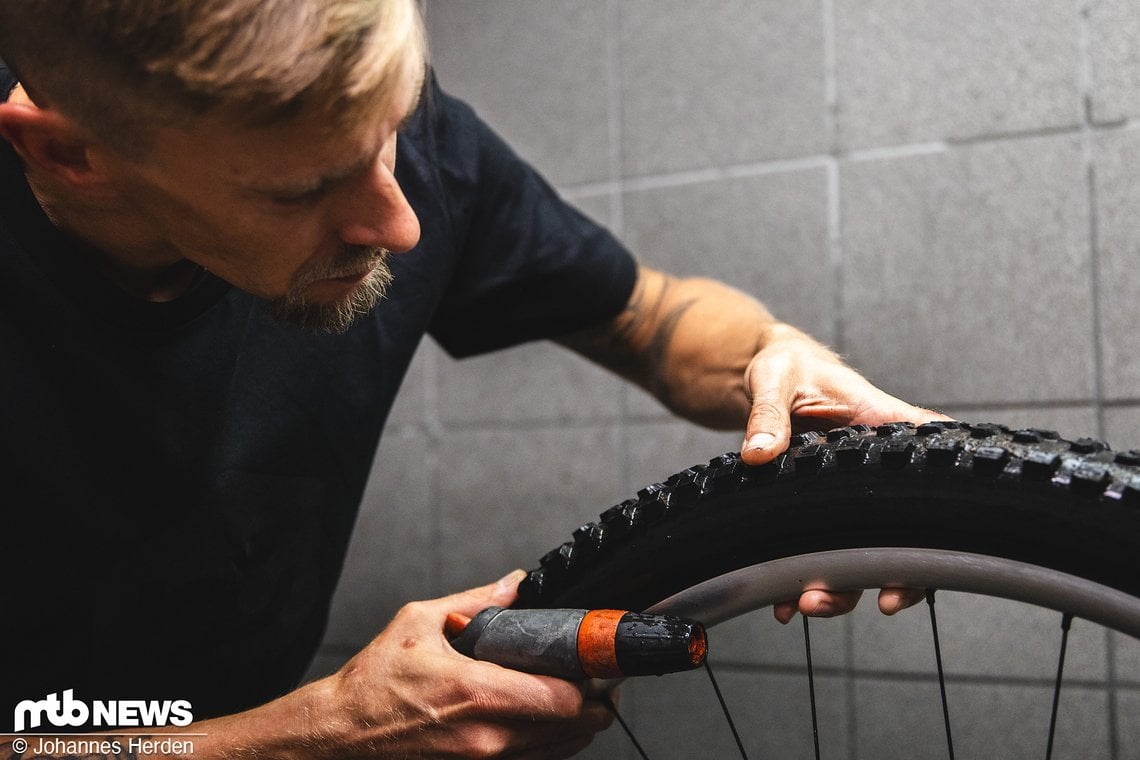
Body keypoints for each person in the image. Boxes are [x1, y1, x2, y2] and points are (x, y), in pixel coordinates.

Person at [0, 0, 943, 756]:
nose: (402, 224)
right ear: (70, 154)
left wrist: (775, 360)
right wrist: (300, 739)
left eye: (395, 128)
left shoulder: (402, 145)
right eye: (300, 189)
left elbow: (648, 317)